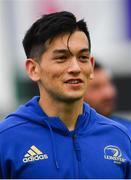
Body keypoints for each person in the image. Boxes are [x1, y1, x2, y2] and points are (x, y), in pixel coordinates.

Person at [0, 11, 131, 179]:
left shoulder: (121, 137)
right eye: (62, 58)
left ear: (91, 66)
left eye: (83, 57)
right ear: (33, 69)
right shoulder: (6, 140)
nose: (75, 68)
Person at [84, 61, 131, 133]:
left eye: (109, 83)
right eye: (96, 87)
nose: (109, 94)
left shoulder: (126, 132)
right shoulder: (64, 137)